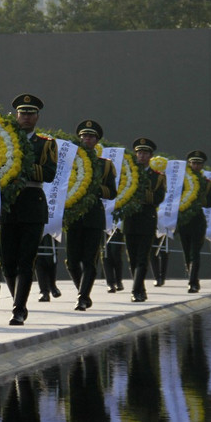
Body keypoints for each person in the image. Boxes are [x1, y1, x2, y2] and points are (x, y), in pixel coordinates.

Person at [0, 94, 57, 325]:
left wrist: (19, 166)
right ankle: (17, 300)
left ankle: (19, 308)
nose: (25, 117)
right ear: (16, 115)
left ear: (37, 117)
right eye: (22, 113)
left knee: (26, 259)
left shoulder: (45, 143)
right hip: (8, 204)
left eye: (30, 113)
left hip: (32, 202)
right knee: (7, 260)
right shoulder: (6, 140)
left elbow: (49, 173)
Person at [64, 120, 117, 311]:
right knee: (71, 261)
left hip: (94, 216)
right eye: (84, 136)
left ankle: (82, 297)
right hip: (74, 215)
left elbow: (112, 192)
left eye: (91, 136)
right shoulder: (71, 162)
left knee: (89, 259)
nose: (87, 139)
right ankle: (83, 292)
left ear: (96, 141)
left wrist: (93, 188)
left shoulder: (105, 166)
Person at [123, 138, 166, 302]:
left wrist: (138, 194)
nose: (141, 156)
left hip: (147, 218)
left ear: (151, 156)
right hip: (130, 219)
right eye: (139, 152)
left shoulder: (158, 177)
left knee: (142, 257)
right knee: (132, 257)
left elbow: (158, 198)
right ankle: (140, 288)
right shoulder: (129, 174)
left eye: (145, 153)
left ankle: (135, 291)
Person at [177, 150, 211, 293]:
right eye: (193, 163)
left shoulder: (207, 183)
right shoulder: (182, 181)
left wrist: (201, 198)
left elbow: (209, 203)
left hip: (197, 220)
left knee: (195, 252)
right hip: (184, 221)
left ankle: (193, 281)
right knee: (187, 252)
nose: (196, 166)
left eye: (199, 163)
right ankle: (192, 277)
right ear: (189, 163)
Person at [35, 235, 62, 302]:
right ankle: (44, 291)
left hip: (51, 227)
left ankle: (52, 285)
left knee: (50, 255)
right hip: (35, 225)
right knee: (38, 256)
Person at [101, 229, 125, 293]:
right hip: (103, 228)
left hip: (116, 226)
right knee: (105, 254)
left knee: (116, 253)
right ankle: (110, 283)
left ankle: (118, 281)